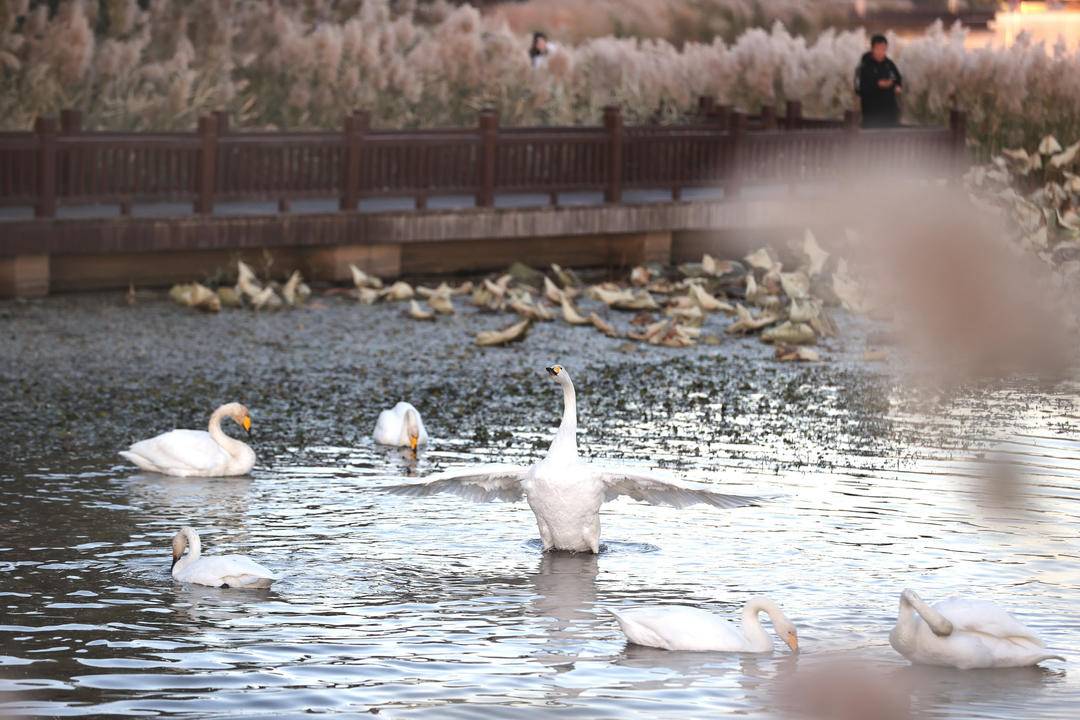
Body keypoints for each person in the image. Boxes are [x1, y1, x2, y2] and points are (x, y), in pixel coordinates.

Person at [854, 34, 902, 128]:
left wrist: (897, 85)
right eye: (878, 49)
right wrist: (877, 85)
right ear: (872, 49)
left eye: (884, 49)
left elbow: (897, 78)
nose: (881, 52)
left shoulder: (889, 64)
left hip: (889, 113)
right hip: (871, 113)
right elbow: (858, 88)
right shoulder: (864, 65)